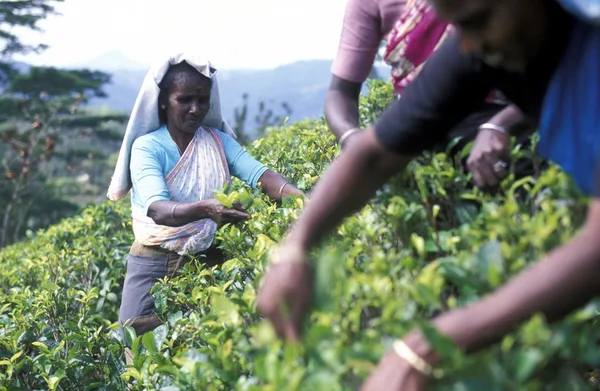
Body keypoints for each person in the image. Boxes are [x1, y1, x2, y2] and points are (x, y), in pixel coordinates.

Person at [256, 0, 600, 389]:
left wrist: (430, 345)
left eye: (477, 22)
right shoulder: (486, 36)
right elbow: (374, 153)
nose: (466, 45)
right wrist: (296, 246)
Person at [106, 53, 303, 345]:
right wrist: (206, 210)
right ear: (164, 101)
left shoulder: (218, 141)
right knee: (139, 345)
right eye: (184, 100)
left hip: (208, 256)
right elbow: (157, 210)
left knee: (206, 345)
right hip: (155, 262)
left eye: (202, 100)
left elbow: (262, 176)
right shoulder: (148, 147)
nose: (195, 109)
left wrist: (302, 199)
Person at [327, 0, 536, 187]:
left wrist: (499, 124)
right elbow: (340, 92)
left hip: (512, 110)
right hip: (429, 131)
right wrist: (351, 137)